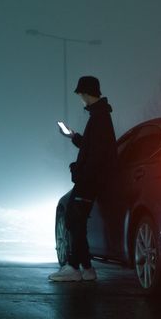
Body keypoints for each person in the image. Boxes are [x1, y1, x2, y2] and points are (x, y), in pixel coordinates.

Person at [49, 75, 117, 282]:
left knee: (73, 219)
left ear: (87, 93)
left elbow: (97, 154)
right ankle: (86, 268)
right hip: (91, 179)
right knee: (76, 220)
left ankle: (73, 267)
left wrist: (80, 171)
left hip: (89, 180)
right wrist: (74, 137)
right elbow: (92, 147)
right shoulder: (100, 116)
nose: (80, 98)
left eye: (80, 94)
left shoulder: (100, 118)